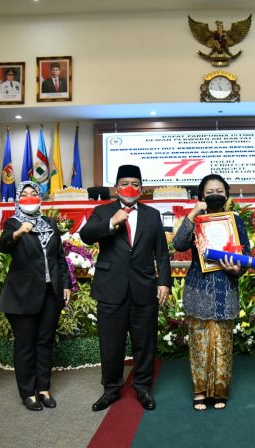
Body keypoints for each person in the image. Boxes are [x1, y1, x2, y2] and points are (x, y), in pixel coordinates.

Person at [80, 164, 171, 412]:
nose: (130, 188)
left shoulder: (152, 215)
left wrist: (164, 282)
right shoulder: (102, 211)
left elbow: (161, 252)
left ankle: (143, 388)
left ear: (141, 188)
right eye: (125, 183)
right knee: (111, 344)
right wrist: (111, 222)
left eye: (135, 184)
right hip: (111, 289)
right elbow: (86, 236)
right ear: (116, 187)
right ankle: (111, 389)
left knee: (145, 343)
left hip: (144, 288)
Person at [172, 174, 251, 411]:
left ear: (226, 195)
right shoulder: (196, 221)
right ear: (201, 196)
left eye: (220, 190)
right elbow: (178, 245)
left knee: (222, 343)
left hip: (225, 289)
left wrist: (237, 270)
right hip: (200, 288)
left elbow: (245, 256)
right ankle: (199, 390)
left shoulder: (235, 221)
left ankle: (220, 391)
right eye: (210, 191)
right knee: (199, 342)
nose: (215, 194)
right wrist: (193, 213)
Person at [0, 181, 72, 411]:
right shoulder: (12, 223)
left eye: (33, 193)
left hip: (50, 293)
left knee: (45, 341)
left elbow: (59, 257)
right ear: (18, 199)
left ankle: (43, 388)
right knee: (26, 344)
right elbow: (3, 245)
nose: (29, 197)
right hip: (23, 295)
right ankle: (28, 392)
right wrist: (19, 232)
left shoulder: (49, 223)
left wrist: (66, 284)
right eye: (25, 194)